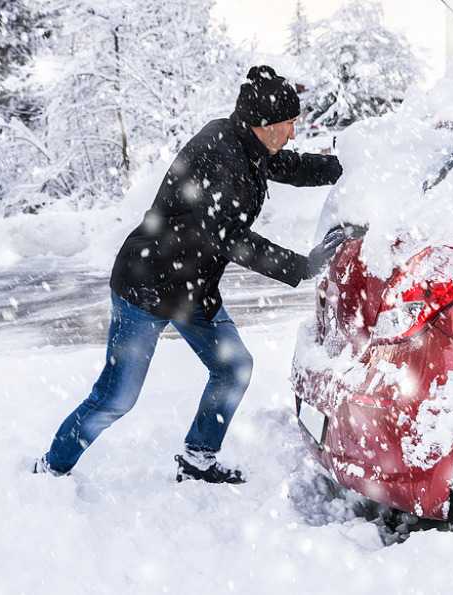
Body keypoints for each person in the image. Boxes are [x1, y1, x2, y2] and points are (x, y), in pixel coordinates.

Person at [33, 65, 347, 484]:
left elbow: (287, 166)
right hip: (146, 285)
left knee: (234, 368)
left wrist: (344, 167)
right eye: (289, 124)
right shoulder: (222, 158)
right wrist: (303, 266)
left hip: (191, 287)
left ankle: (198, 457)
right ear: (264, 124)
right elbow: (234, 239)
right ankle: (51, 469)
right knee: (116, 397)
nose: (292, 134)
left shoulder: (243, 142)